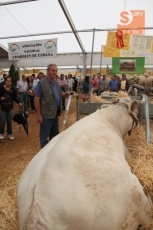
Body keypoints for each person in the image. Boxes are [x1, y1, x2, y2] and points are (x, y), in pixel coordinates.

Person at [34, 64, 74, 149]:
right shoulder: (41, 83)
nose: (54, 72)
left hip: (55, 113)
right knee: (44, 137)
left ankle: (51, 154)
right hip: (46, 115)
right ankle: (43, 155)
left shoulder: (56, 83)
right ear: (47, 71)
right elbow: (36, 99)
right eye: (53, 70)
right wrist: (38, 115)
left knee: (54, 137)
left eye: (56, 71)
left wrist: (67, 93)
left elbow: (61, 94)